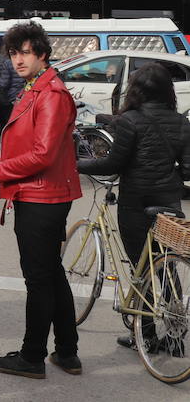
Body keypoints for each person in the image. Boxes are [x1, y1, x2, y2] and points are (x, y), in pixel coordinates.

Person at [0, 20, 83, 379]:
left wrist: (2, 170)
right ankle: (67, 352)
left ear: (41, 53)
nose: (17, 59)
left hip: (42, 196)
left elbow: (43, 154)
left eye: (24, 52)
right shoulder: (37, 87)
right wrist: (2, 162)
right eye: (13, 52)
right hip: (40, 192)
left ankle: (32, 356)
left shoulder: (50, 93)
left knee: (39, 279)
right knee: (51, 274)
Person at [76, 62, 189, 351]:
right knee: (164, 264)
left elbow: (113, 163)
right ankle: (174, 335)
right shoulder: (181, 122)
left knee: (141, 265)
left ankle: (146, 335)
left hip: (136, 200)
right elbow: (188, 170)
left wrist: (77, 164)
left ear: (136, 89)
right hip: (168, 200)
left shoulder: (130, 120)